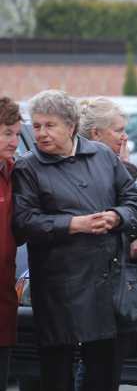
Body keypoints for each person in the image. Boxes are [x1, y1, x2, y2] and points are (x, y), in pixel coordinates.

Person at [12, 90, 137, 391]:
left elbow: (135, 203)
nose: (41, 133)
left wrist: (116, 217)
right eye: (37, 125)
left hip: (106, 286)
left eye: (50, 125)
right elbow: (23, 221)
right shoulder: (29, 167)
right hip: (59, 288)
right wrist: (73, 224)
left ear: (71, 126)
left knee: (104, 374)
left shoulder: (102, 156)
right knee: (56, 375)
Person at [0, 97, 21, 391]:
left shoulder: (16, 174)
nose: (15, 141)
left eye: (18, 133)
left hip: (4, 303)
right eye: (7, 133)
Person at [78, 97, 137, 180]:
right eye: (119, 131)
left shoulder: (105, 165)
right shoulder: (87, 173)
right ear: (96, 133)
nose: (125, 137)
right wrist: (125, 166)